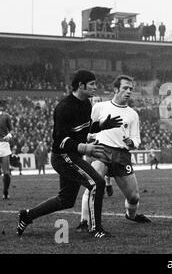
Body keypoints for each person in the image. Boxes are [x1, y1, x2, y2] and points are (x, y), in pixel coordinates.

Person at [16, 70, 123, 238]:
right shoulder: (64, 108)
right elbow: (60, 141)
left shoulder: (86, 104)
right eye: (92, 84)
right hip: (63, 156)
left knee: (66, 200)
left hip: (71, 156)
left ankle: (27, 215)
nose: (96, 87)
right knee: (97, 183)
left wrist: (102, 125)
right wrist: (85, 148)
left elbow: (84, 128)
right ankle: (96, 229)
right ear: (81, 86)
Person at [77, 74, 151, 233]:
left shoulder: (133, 114)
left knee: (134, 197)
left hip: (122, 156)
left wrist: (133, 143)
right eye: (125, 88)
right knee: (93, 186)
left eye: (131, 89)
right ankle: (84, 221)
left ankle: (131, 215)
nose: (129, 91)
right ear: (116, 89)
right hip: (101, 150)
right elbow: (87, 129)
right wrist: (88, 138)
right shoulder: (99, 107)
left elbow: (136, 138)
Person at [0, 100, 13, 199]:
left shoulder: (6, 116)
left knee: (6, 172)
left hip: (4, 144)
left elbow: (11, 129)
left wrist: (9, 134)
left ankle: (5, 191)